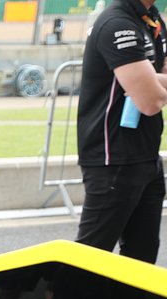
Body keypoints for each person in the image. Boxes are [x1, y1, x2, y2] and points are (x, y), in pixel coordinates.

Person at [76, 0, 167, 264]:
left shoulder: (152, 19)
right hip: (112, 158)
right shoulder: (117, 25)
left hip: (147, 156)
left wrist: (152, 82)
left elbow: (157, 82)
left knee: (141, 258)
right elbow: (150, 102)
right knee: (87, 260)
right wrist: (150, 86)